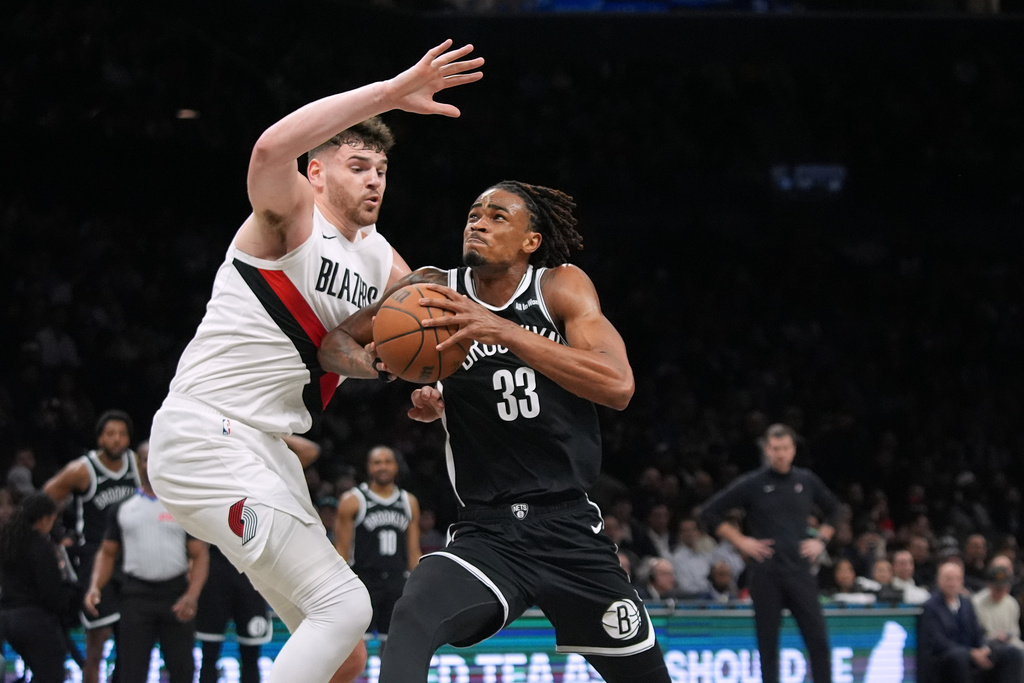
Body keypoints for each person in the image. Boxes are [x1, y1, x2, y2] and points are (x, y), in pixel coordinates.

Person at [146, 40, 484, 683]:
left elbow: (415, 344)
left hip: (267, 450)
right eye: (358, 165)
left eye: (381, 170)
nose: (373, 180)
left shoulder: (388, 266)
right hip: (206, 429)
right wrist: (389, 91)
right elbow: (271, 149)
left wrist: (426, 385)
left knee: (342, 652)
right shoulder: (290, 218)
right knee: (346, 606)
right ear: (317, 173)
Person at [322, 181, 672, 682]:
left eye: (497, 216)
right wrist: (390, 368)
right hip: (488, 533)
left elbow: (617, 385)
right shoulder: (433, 291)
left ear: (531, 241)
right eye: (473, 213)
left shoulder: (559, 287)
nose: (478, 222)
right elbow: (336, 345)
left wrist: (501, 329)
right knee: (413, 612)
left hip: (569, 530)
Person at [699, 423, 841, 683]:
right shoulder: (753, 483)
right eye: (775, 449)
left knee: (819, 640)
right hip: (766, 573)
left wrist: (821, 539)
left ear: (793, 449)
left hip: (799, 570)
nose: (780, 454)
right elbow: (708, 512)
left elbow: (836, 510)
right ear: (767, 450)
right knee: (767, 644)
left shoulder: (806, 480)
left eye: (785, 448)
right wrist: (741, 541)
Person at [196, 434, 320, 683]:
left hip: (255, 571)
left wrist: (262, 431)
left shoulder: (264, 467)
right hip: (218, 569)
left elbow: (310, 451)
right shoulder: (211, 468)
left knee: (251, 653)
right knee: (209, 654)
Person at [84, 441, 210, 683]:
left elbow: (200, 553)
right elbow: (107, 552)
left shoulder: (180, 506)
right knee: (132, 670)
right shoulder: (122, 508)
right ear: (138, 464)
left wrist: (192, 595)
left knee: (183, 669)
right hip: (136, 596)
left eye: (154, 457)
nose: (149, 463)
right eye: (144, 458)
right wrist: (95, 587)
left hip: (175, 595)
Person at [43, 409, 140, 683]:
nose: (117, 440)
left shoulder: (137, 464)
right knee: (97, 642)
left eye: (122, 434)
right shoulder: (82, 470)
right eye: (111, 434)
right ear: (100, 438)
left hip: (131, 558)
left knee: (131, 642)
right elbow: (44, 500)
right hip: (95, 558)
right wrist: (59, 534)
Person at [334, 445, 421, 653]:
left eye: (387, 462)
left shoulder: (408, 501)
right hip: (363, 582)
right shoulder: (352, 500)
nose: (382, 467)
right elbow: (341, 551)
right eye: (377, 462)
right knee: (354, 651)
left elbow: (413, 550)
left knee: (395, 649)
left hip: (396, 581)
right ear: (369, 467)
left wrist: (418, 585)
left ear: (396, 467)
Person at [0, 492, 79, 683]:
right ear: (44, 519)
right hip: (36, 621)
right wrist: (71, 596)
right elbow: (51, 594)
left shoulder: (6, 541)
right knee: (51, 677)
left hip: (7, 621)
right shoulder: (40, 546)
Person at [919, 560, 1024, 682]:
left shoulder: (966, 603)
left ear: (961, 581)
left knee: (1012, 653)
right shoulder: (930, 606)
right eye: (948, 579)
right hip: (946, 658)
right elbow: (937, 641)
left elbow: (977, 631)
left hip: (972, 652)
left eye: (956, 579)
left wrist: (983, 647)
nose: (952, 583)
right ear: (939, 581)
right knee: (960, 657)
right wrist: (970, 653)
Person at [972, 562, 1024, 651]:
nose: (1002, 591)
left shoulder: (1012, 603)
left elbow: (1015, 631)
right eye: (998, 588)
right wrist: (994, 636)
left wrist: (1007, 635)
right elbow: (976, 632)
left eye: (1005, 587)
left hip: (1009, 642)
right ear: (989, 585)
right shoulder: (976, 602)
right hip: (986, 644)